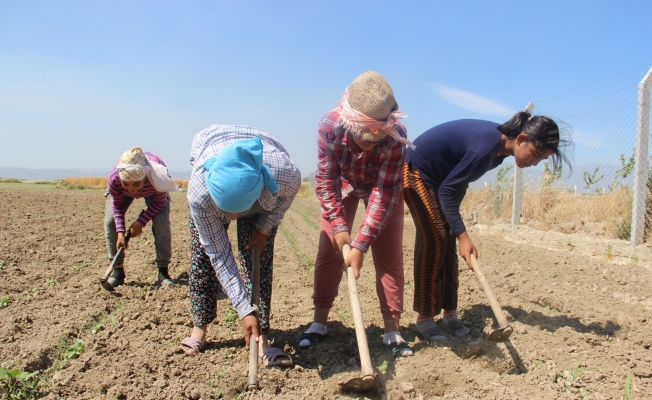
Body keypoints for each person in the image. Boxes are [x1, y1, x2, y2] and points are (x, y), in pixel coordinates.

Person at [403, 112, 571, 341]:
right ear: (522, 139)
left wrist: (457, 229)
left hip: (443, 180)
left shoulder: (498, 153)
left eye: (541, 160)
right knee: (436, 238)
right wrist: (463, 234)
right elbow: (447, 190)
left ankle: (449, 313)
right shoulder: (484, 148)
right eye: (536, 155)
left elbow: (458, 182)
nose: (534, 163)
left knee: (449, 240)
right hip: (416, 172)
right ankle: (425, 318)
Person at [299, 71, 416, 357]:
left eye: (377, 137)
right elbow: (326, 181)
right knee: (329, 251)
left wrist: (361, 244)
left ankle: (392, 330)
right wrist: (340, 229)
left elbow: (385, 194)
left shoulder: (396, 139)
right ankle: (319, 323)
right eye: (364, 135)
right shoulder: (329, 126)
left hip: (381, 188)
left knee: (389, 255)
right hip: (343, 184)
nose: (371, 140)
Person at [177, 125, 301, 368]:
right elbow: (220, 254)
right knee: (203, 255)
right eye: (226, 211)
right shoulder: (199, 193)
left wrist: (265, 227)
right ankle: (198, 329)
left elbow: (285, 199)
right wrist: (244, 309)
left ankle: (262, 336)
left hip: (262, 170)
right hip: (210, 148)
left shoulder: (284, 176)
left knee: (258, 256)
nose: (232, 218)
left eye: (239, 212)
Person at [104, 147, 179, 289]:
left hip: (153, 189)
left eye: (136, 183)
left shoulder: (158, 177)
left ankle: (163, 272)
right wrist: (120, 232)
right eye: (126, 183)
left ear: (145, 177)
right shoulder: (115, 179)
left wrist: (140, 222)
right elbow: (118, 207)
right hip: (125, 190)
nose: (131, 188)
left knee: (161, 223)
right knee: (110, 222)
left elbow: (160, 203)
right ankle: (117, 271)